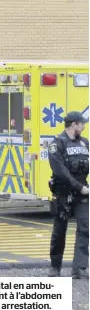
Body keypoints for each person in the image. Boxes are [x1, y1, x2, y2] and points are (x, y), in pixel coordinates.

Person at [47, 111, 89, 279]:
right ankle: (55, 267)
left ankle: (79, 268)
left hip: (82, 193)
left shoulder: (85, 143)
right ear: (74, 125)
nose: (84, 126)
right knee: (60, 231)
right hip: (64, 192)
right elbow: (60, 171)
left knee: (85, 228)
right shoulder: (57, 144)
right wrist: (79, 187)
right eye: (82, 124)